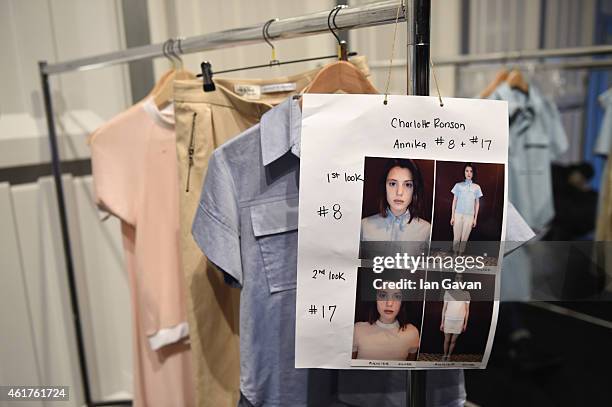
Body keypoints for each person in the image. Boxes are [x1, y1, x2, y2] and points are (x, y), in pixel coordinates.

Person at [361, 158, 431, 243]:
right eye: (393, 184)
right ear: (384, 187)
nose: (399, 192)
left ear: (415, 190)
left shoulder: (427, 231)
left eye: (408, 184)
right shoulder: (364, 227)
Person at [352, 288, 420, 361]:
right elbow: (349, 368)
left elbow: (409, 369)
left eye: (397, 297)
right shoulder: (358, 329)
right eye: (383, 295)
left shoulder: (412, 332)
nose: (389, 304)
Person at [450, 163, 483, 254]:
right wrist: (452, 216)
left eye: (471, 171)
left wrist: (475, 219)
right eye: (467, 171)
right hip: (458, 214)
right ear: (464, 172)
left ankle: (460, 255)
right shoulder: (458, 185)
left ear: (473, 173)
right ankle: (454, 255)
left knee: (465, 238)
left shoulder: (477, 187)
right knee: (456, 237)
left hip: (470, 216)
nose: (469, 173)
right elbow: (454, 201)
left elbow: (477, 203)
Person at [440, 274, 471, 361]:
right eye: (457, 278)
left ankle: (449, 356)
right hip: (448, 320)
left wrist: (465, 324)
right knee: (446, 340)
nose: (459, 280)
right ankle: (445, 355)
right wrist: (442, 322)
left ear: (463, 281)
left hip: (459, 321)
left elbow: (467, 310)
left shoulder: (466, 294)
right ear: (454, 280)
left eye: (461, 278)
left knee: (453, 341)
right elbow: (444, 308)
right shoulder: (448, 292)